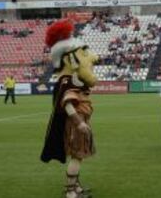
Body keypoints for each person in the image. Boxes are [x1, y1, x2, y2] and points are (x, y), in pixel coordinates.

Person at [40, 20, 99, 198]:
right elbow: (67, 102)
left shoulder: (70, 78)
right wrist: (79, 123)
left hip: (79, 121)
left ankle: (77, 187)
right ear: (69, 59)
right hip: (75, 123)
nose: (91, 57)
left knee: (79, 156)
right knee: (76, 156)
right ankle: (71, 192)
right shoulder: (67, 80)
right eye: (84, 53)